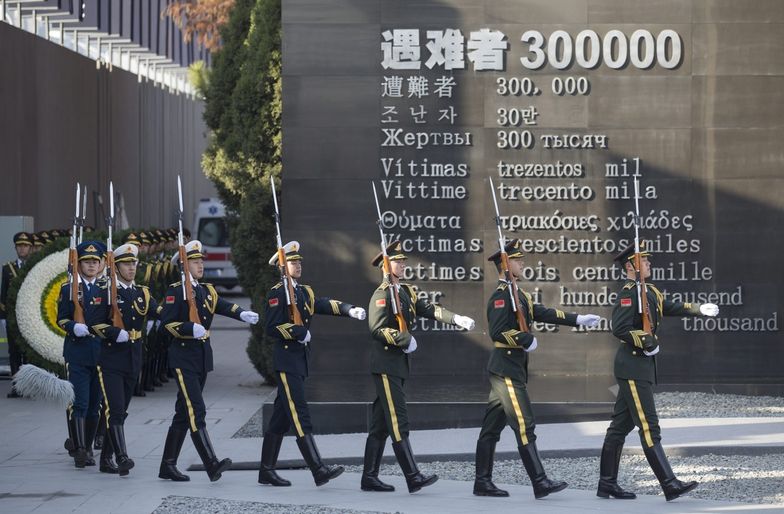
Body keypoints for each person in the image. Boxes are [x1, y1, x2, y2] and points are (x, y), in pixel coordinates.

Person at [473, 238, 601, 499]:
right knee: (524, 424)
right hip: (506, 368)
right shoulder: (500, 297)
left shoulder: (519, 294)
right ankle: (540, 482)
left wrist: (577, 319)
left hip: (512, 369)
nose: (523, 263)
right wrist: (524, 338)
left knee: (491, 429)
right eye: (518, 260)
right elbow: (497, 332)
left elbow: (543, 312)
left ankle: (481, 482)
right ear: (505, 264)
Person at [597, 241, 719, 501]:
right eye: (644, 260)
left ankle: (606, 483)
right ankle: (669, 483)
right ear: (630, 266)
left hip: (640, 367)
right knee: (649, 427)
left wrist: (698, 308)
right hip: (632, 366)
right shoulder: (629, 293)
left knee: (619, 427)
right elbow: (618, 328)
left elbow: (670, 306)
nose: (650, 263)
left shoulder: (648, 291)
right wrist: (647, 341)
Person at [365, 241, 475, 494]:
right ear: (386, 265)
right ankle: (413, 476)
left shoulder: (406, 292)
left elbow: (429, 309)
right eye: (398, 261)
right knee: (398, 420)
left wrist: (455, 318)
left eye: (404, 261)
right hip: (386, 365)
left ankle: (369, 477)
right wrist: (405, 339)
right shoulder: (382, 294)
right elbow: (377, 329)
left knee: (381, 423)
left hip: (397, 366)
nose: (403, 264)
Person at [260, 241, 367, 488]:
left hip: (299, 361)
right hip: (286, 361)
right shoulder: (278, 292)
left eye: (299, 262)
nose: (298, 265)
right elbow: (271, 327)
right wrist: (298, 332)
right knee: (300, 415)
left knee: (280, 418)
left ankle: (266, 471)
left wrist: (349, 310)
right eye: (293, 262)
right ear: (282, 267)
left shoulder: (302, 291)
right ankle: (318, 470)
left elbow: (321, 303)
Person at [158, 240, 259, 482]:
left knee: (183, 412)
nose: (201, 264)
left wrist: (240, 313)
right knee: (197, 410)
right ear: (184, 265)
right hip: (183, 357)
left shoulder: (206, 290)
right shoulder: (176, 291)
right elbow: (167, 324)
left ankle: (167, 466)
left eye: (202, 260)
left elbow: (221, 305)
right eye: (195, 261)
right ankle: (211, 464)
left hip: (201, 359)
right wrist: (188, 328)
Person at [92, 243, 158, 476]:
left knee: (121, 411)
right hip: (110, 358)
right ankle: (121, 456)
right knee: (115, 408)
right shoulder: (106, 292)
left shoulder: (142, 292)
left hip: (133, 357)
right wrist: (112, 332)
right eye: (126, 264)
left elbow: (161, 312)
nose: (131, 268)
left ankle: (105, 459)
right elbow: (94, 323)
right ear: (116, 267)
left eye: (133, 264)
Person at [57, 241, 111, 468]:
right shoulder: (68, 289)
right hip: (77, 353)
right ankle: (79, 449)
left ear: (100, 265)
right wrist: (72, 327)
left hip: (98, 354)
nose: (91, 265)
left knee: (95, 404)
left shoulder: (105, 289)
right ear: (78, 264)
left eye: (95, 262)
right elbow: (61, 319)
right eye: (86, 261)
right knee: (80, 402)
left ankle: (88, 445)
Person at [2, 232, 33, 398]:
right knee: (13, 352)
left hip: (29, 317)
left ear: (30, 248)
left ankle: (28, 385)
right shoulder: (7, 268)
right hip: (12, 318)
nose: (22, 248)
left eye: (25, 246)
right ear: (15, 248)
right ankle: (17, 386)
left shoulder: (34, 266)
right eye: (20, 246)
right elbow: (3, 294)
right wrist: (3, 317)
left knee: (28, 352)